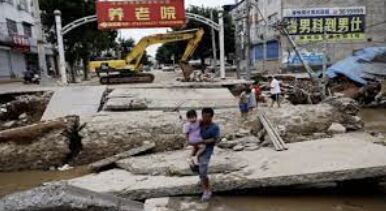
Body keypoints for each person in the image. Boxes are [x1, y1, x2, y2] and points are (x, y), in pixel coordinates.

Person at [197, 107, 220, 201]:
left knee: (203, 169)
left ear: (211, 117)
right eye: (203, 116)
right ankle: (204, 182)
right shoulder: (199, 124)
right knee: (197, 168)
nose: (205, 118)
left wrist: (204, 141)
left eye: (207, 117)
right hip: (197, 148)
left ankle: (207, 190)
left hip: (207, 149)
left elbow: (215, 139)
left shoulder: (215, 127)